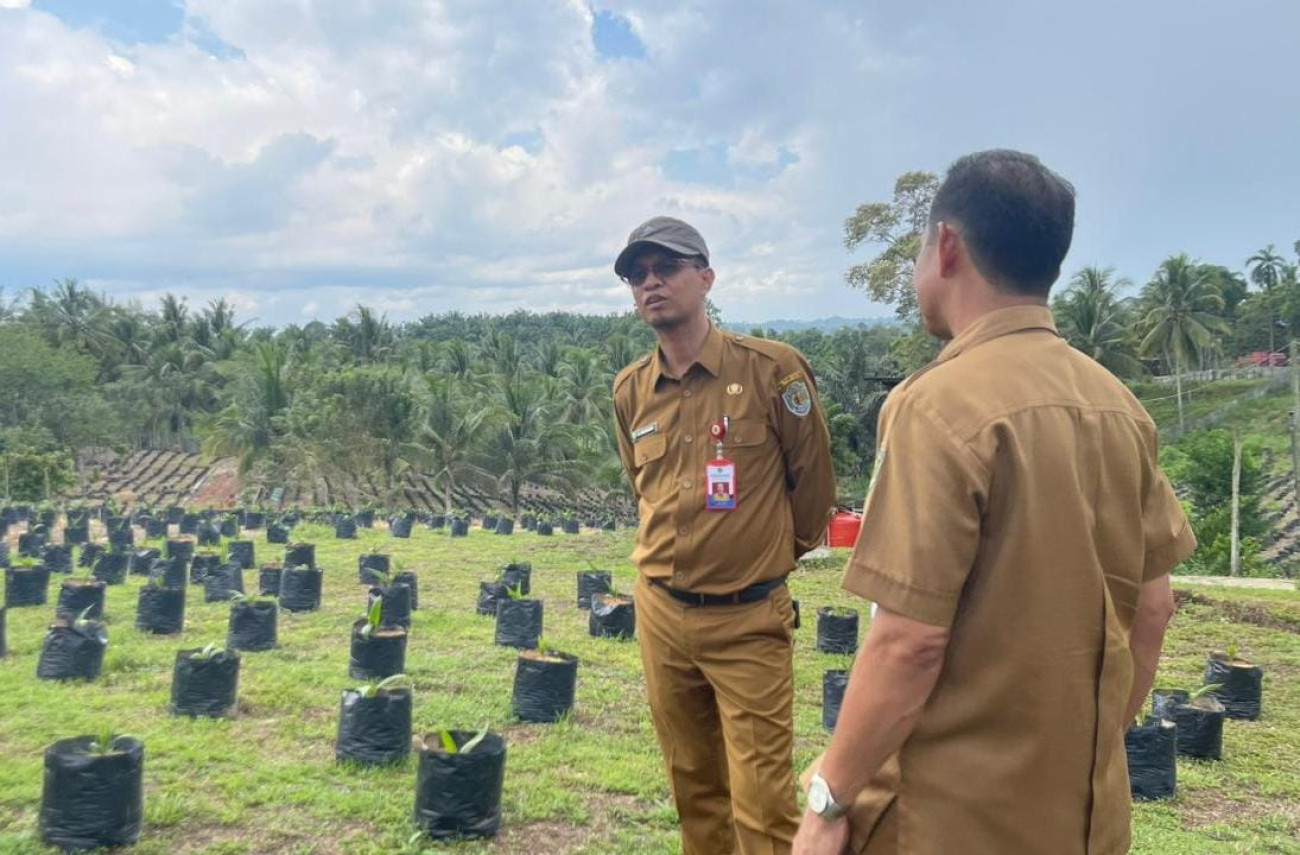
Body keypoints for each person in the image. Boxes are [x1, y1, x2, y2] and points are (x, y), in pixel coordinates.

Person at [793, 150, 1195, 855]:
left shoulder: (936, 406)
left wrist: (831, 794)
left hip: (953, 820)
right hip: (1089, 819)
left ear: (945, 246)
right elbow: (1154, 608)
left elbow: (909, 639)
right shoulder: (1121, 406)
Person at [611, 215, 836, 854]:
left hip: (747, 617)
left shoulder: (772, 371)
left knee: (764, 806)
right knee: (693, 789)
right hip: (660, 612)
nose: (651, 283)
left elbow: (813, 489)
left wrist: (764, 562)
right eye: (637, 275)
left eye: (667, 268)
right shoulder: (631, 390)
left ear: (705, 278)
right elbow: (643, 490)